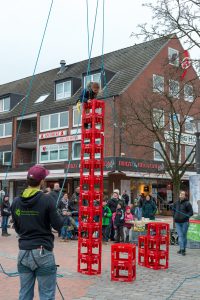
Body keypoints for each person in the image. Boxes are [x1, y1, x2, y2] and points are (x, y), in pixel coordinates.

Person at [11, 165, 64, 300]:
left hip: (23, 253)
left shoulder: (16, 201)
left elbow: (17, 228)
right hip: (43, 252)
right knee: (46, 295)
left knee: (24, 294)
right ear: (41, 182)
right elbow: (58, 226)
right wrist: (61, 215)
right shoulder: (47, 200)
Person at [172, 190, 193, 256]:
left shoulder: (187, 203)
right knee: (180, 235)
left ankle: (183, 249)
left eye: (183, 194)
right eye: (181, 194)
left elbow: (191, 212)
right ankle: (182, 249)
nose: (181, 195)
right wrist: (174, 216)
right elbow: (173, 210)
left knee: (184, 236)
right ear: (179, 195)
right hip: (177, 222)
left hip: (185, 222)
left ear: (184, 196)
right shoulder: (176, 203)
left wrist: (186, 216)